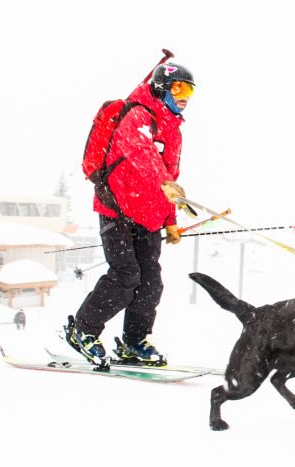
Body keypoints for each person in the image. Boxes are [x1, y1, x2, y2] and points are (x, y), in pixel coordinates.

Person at [68, 53, 196, 366]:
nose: (185, 97)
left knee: (150, 283)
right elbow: (139, 150)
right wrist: (164, 181)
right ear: (162, 87)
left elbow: (169, 179)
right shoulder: (138, 114)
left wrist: (170, 221)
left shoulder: (174, 131)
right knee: (126, 276)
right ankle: (82, 330)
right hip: (118, 210)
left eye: (189, 91)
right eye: (179, 88)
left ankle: (133, 342)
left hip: (149, 217)